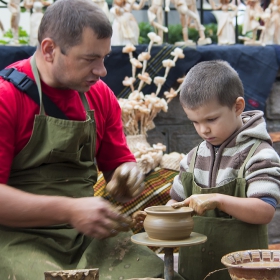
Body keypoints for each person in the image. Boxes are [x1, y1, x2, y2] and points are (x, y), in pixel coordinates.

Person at [0, 0, 185, 279]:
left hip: (84, 236)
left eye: (104, 57)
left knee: (156, 273)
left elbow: (119, 170)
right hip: (17, 238)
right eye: (90, 59)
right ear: (50, 50)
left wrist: (128, 176)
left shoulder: (100, 96)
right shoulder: (7, 98)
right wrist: (70, 210)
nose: (102, 71)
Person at [133, 60, 280, 280]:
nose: (203, 130)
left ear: (238, 106)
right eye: (195, 122)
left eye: (211, 119)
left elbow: (264, 210)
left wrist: (219, 200)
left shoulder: (259, 154)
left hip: (243, 273)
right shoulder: (192, 158)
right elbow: (176, 203)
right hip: (194, 271)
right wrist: (158, 215)